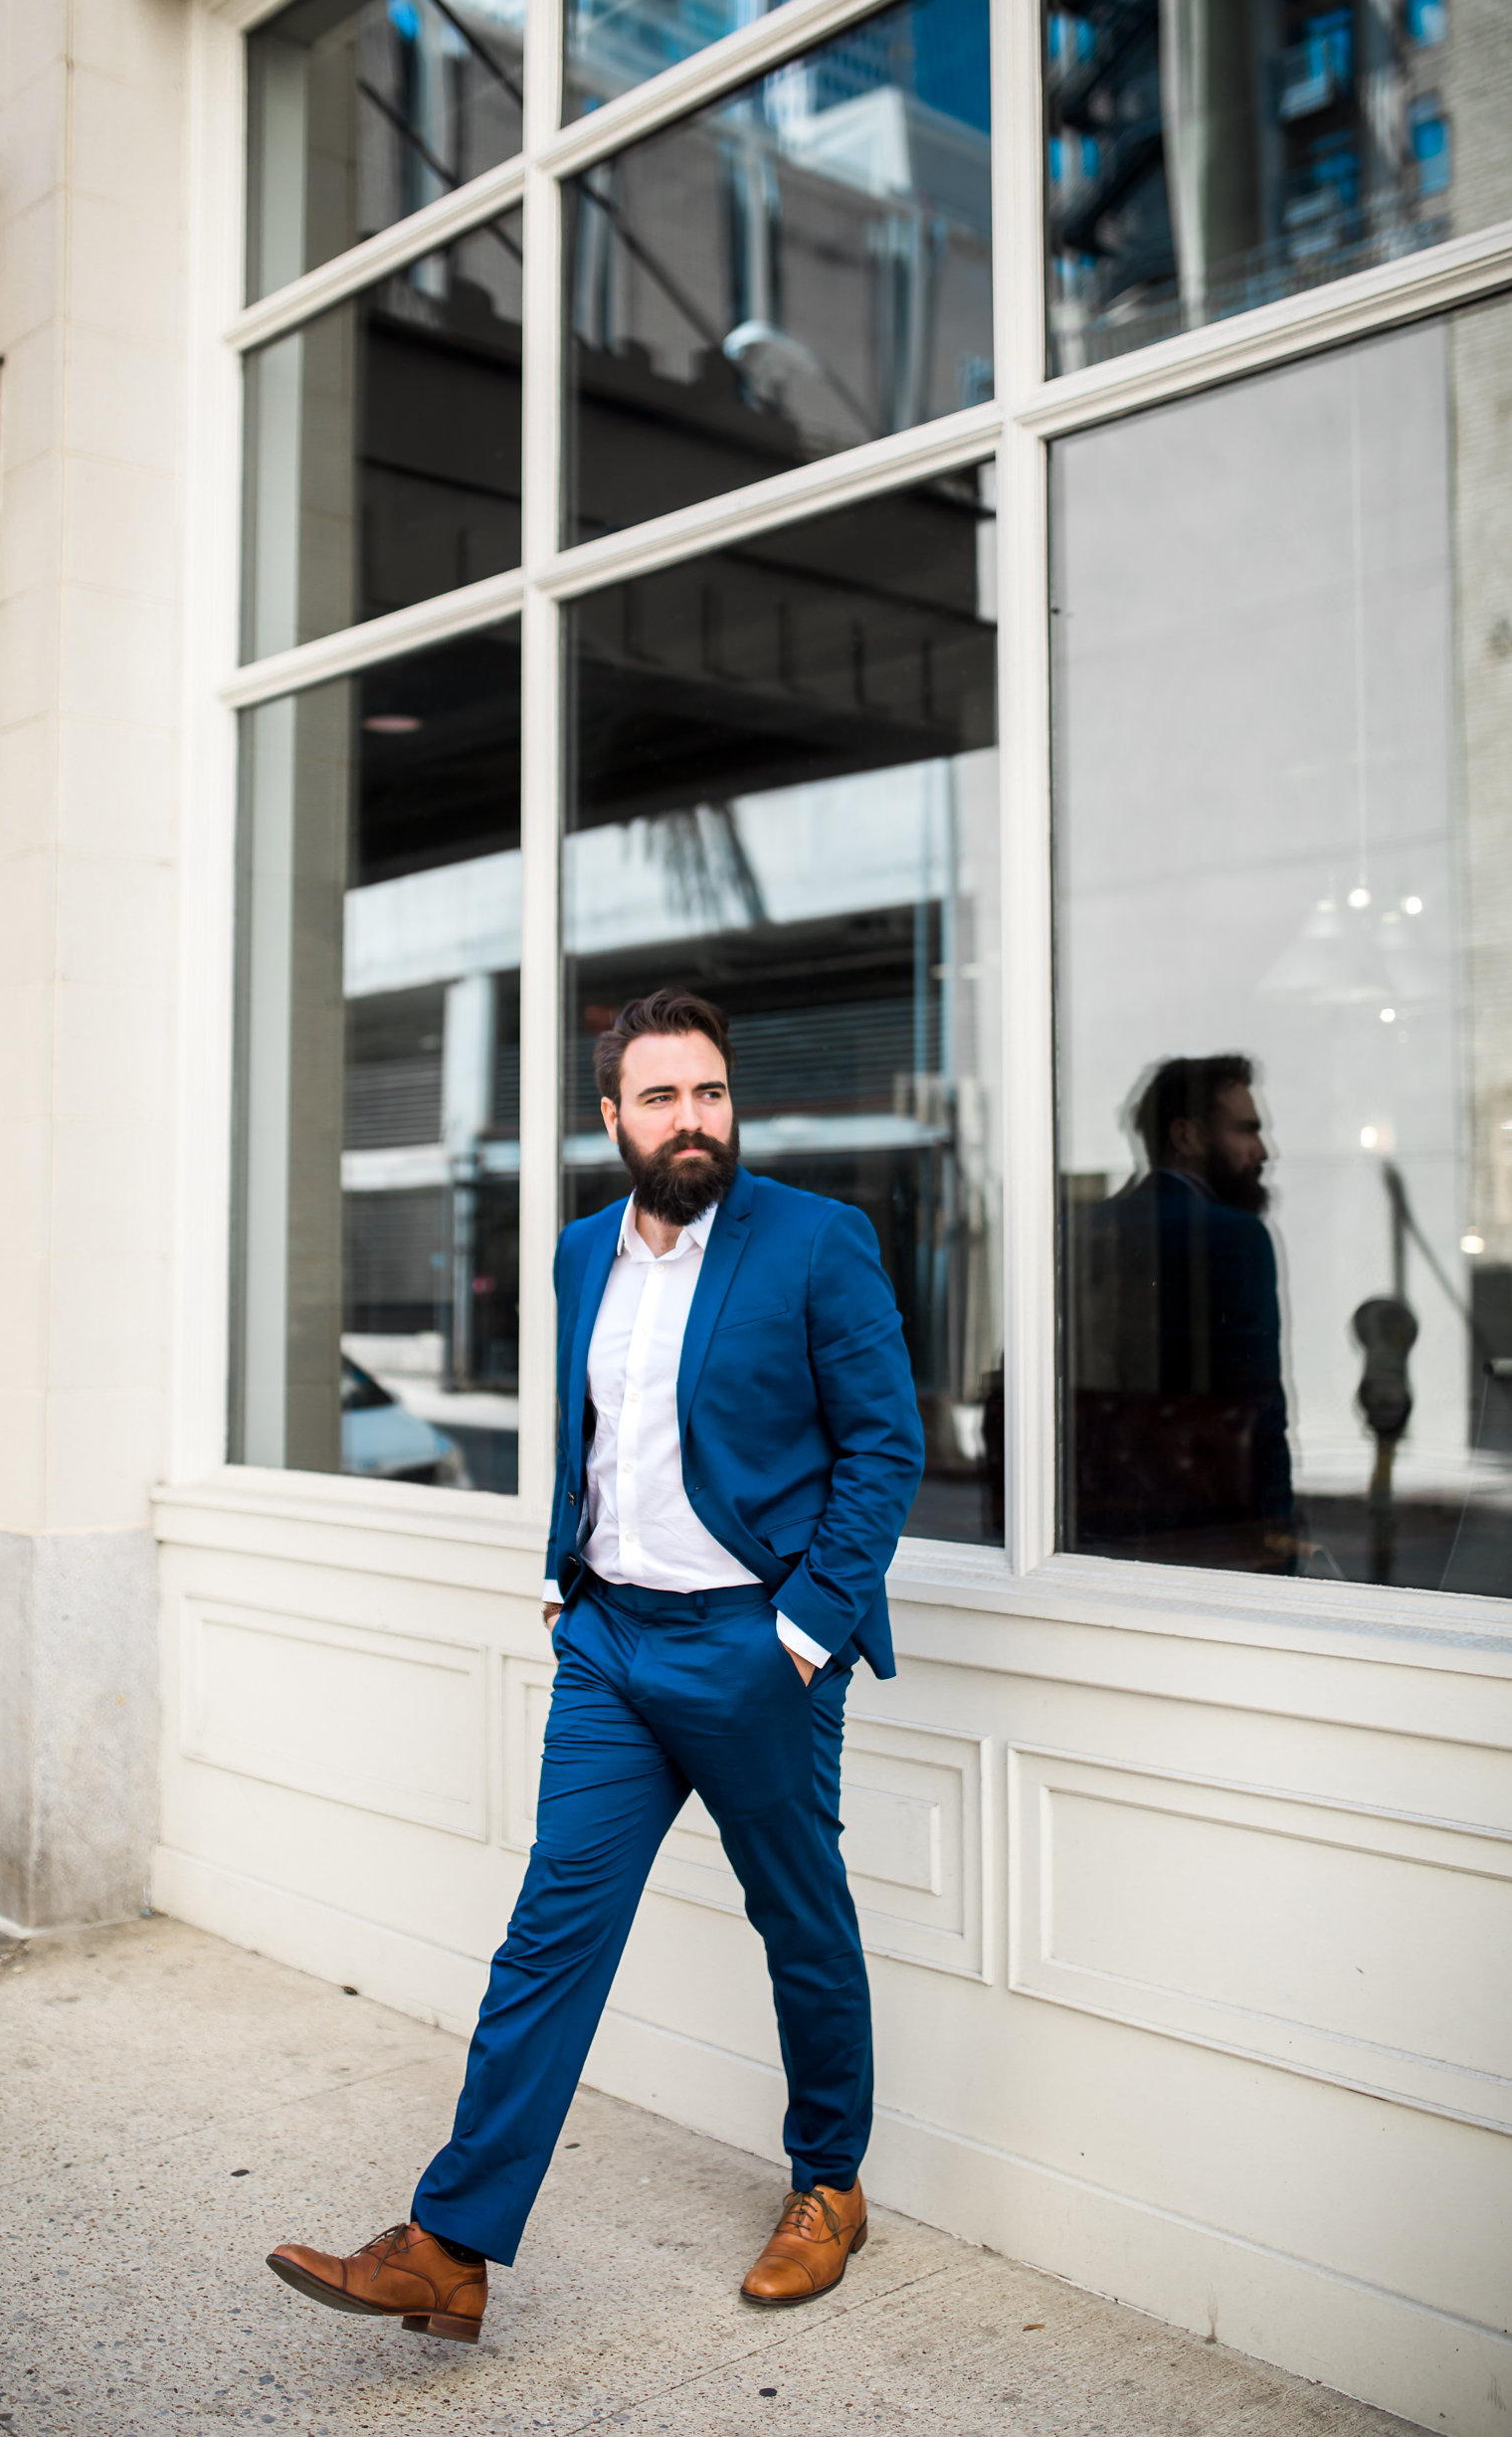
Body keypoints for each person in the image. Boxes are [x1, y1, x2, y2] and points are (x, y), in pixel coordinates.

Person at [268, 987, 925, 2343]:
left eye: (713, 1093)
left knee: (799, 1919)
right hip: (613, 1647)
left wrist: (800, 1634)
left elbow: (885, 1449)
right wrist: (567, 1585)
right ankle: (451, 2245)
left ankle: (829, 2182)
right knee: (550, 1934)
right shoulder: (580, 1254)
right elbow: (590, 1438)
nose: (695, 1119)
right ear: (612, 1116)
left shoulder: (816, 1241)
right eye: (665, 1097)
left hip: (755, 1647)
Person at [1066, 1052, 1295, 1572]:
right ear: (1187, 1137)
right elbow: (1257, 1397)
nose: (1263, 1151)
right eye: (1246, 1131)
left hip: (1088, 1530)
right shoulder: (1234, 1236)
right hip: (1209, 1531)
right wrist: (1276, 1528)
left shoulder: (1083, 1231)